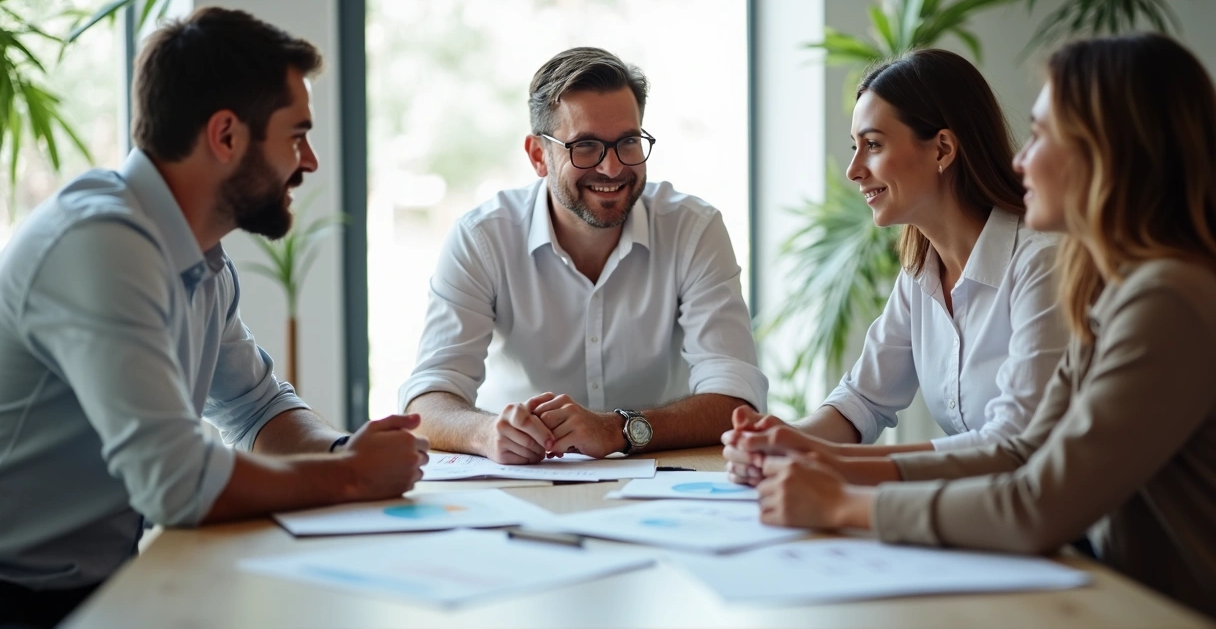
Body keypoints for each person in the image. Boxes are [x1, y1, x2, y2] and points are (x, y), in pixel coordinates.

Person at [746, 33, 1216, 617]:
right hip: (1111, 589)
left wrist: (843, 503)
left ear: (1106, 153)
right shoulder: (1113, 290)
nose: (1021, 159)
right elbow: (1022, 449)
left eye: (1042, 135)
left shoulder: (1164, 299)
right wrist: (823, 459)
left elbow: (1036, 500)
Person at [0, 8, 428, 627]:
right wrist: (353, 480)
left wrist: (344, 452)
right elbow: (176, 484)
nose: (307, 161)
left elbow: (256, 409)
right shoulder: (100, 244)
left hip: (104, 581)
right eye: (296, 135)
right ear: (226, 136)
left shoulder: (198, 257)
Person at [400, 47, 767, 464]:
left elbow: (736, 401)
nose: (612, 168)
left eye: (628, 142)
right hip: (520, 479)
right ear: (539, 155)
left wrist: (616, 429)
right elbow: (426, 402)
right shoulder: (482, 238)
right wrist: (485, 433)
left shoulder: (693, 229)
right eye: (586, 147)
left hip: (663, 476)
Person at [723, 49, 1069, 486]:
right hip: (973, 518)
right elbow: (863, 400)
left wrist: (827, 460)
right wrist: (780, 440)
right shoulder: (921, 271)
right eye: (856, 147)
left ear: (942, 148)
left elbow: (1015, 441)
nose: (853, 170)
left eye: (873, 145)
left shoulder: (1042, 263)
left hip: (1058, 531)